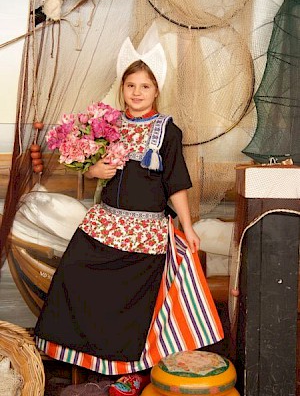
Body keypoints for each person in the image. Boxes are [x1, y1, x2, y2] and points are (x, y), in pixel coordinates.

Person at [34, 30, 223, 396]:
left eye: (145, 86)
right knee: (73, 277)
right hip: (105, 224)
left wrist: (188, 227)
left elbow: (176, 183)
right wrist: (94, 171)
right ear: (122, 89)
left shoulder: (167, 130)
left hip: (145, 233)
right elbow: (88, 164)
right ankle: (91, 369)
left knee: (131, 309)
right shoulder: (105, 125)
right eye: (131, 85)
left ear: (156, 91)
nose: (137, 92)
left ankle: (132, 374)